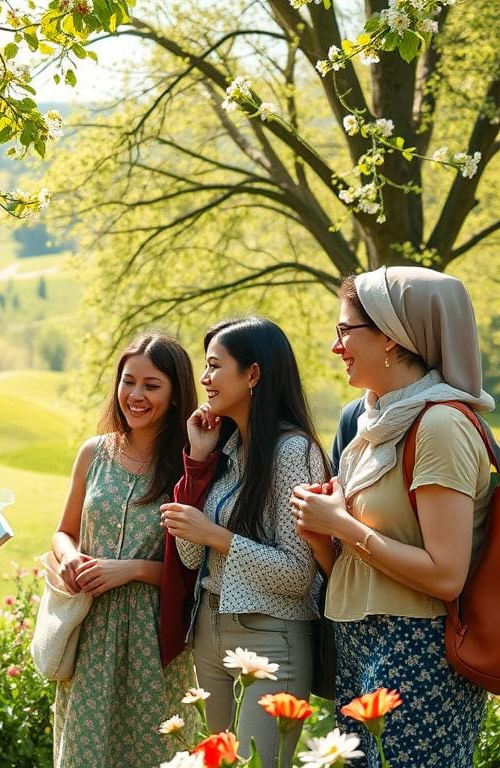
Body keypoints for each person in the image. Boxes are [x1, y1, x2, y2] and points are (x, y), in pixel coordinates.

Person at [291, 266, 493, 768]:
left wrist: (343, 525)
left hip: (420, 651)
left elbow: (445, 576)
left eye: (345, 331)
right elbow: (360, 568)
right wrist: (322, 535)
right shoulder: (371, 423)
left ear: (390, 336)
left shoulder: (439, 426)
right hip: (361, 640)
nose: (336, 346)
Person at [160, 317, 327, 763]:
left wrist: (220, 537)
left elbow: (297, 574)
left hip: (270, 638)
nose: (205, 378)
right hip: (209, 633)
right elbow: (190, 554)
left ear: (253, 374)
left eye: (215, 366)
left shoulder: (295, 453)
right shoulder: (228, 451)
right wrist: (197, 458)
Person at [51, 332, 199, 767]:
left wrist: (131, 569)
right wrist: (69, 557)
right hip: (89, 629)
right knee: (83, 752)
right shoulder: (93, 453)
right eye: (128, 381)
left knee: (155, 753)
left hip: (155, 640)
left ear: (175, 395)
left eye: (152, 386)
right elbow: (63, 531)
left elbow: (197, 571)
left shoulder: (189, 465)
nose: (135, 395)